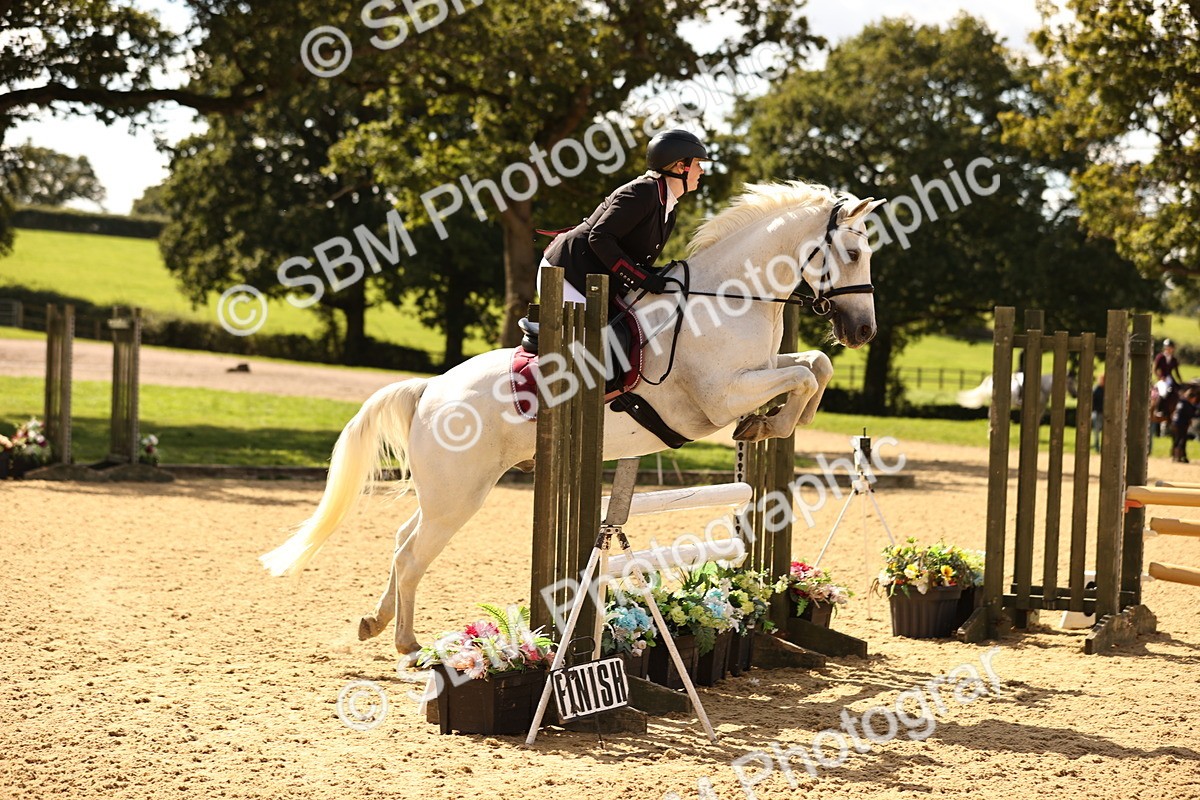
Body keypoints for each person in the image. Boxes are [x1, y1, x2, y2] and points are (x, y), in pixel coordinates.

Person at [539, 129, 710, 318]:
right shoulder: (642, 193)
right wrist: (642, 279)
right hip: (568, 274)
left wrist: (658, 275)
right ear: (680, 167)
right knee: (598, 342)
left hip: (597, 281)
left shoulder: (668, 208)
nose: (701, 171)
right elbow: (599, 238)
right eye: (697, 164)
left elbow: (634, 257)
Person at [1154, 339, 1184, 435]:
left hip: (1170, 379)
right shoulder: (1160, 357)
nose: (1169, 349)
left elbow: (1176, 372)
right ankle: (1159, 409)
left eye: (1171, 348)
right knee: (1163, 392)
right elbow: (1155, 369)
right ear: (1165, 348)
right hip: (1162, 379)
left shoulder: (1174, 359)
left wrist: (1181, 382)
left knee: (1179, 392)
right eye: (1168, 348)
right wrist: (1160, 378)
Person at [1171, 386, 1199, 463]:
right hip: (1181, 424)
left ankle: (1175, 456)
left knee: (1177, 440)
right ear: (1191, 398)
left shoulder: (1181, 402)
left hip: (1175, 423)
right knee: (1182, 440)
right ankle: (1179, 457)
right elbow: (1191, 414)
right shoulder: (1187, 404)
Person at [1091, 374, 1105, 453]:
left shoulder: (1106, 389)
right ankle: (1097, 447)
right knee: (1096, 431)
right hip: (1097, 412)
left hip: (1104, 413)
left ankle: (1102, 447)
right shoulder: (1096, 389)